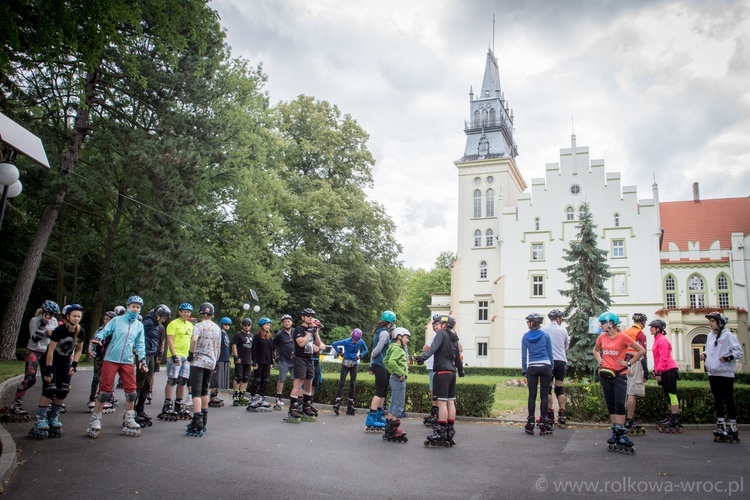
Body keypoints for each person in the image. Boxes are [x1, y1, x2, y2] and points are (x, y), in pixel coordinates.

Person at [86, 296, 147, 438]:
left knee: (131, 392)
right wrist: (99, 338)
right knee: (105, 392)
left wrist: (142, 359)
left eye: (138, 307)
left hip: (127, 360)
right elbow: (104, 331)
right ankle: (95, 419)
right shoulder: (117, 321)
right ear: (128, 307)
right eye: (133, 306)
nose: (135, 309)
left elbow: (140, 344)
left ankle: (129, 419)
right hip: (111, 358)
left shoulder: (139, 325)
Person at [592, 311, 646, 454]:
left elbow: (641, 351)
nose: (601, 326)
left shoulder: (623, 337)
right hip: (605, 374)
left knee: (619, 404)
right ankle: (615, 430)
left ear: (610, 323)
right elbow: (595, 350)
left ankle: (621, 433)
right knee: (610, 405)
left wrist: (628, 362)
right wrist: (600, 360)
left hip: (620, 375)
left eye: (602, 323)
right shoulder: (601, 337)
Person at [28, 303, 85, 439]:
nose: (76, 319)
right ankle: (41, 418)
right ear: (67, 317)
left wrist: (74, 364)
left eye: (79, 316)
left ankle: (54, 417)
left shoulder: (80, 331)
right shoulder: (59, 330)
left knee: (63, 390)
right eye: (74, 316)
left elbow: (78, 349)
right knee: (49, 388)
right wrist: (48, 370)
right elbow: (51, 350)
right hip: (51, 361)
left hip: (65, 362)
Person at [415, 315, 464, 447]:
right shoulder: (454, 338)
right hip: (452, 373)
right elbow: (458, 357)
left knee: (441, 403)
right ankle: (450, 430)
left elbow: (432, 349)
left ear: (444, 325)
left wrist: (420, 358)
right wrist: (461, 370)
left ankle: (441, 431)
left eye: (441, 323)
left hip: (442, 372)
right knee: (450, 402)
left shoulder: (441, 334)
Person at [7, 300, 60, 422]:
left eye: (53, 314)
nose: (51, 316)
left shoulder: (54, 321)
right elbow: (35, 338)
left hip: (47, 352)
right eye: (50, 313)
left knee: (49, 379)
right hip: (34, 351)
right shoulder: (34, 320)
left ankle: (46, 405)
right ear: (45, 311)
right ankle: (16, 405)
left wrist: (52, 333)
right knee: (30, 379)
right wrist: (43, 325)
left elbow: (56, 337)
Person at [701, 311, 743, 443]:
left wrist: (728, 357)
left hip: (725, 373)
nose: (710, 323)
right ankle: (720, 424)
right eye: (710, 321)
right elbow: (709, 350)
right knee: (717, 399)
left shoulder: (728, 335)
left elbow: (738, 351)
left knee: (728, 399)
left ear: (720, 322)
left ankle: (732, 426)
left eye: (712, 321)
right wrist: (704, 355)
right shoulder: (710, 336)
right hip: (713, 373)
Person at [186, 303, 221, 437]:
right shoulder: (217, 328)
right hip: (211, 361)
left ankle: (197, 418)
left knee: (196, 391)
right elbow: (218, 347)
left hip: (198, 360)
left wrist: (191, 352)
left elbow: (194, 340)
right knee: (205, 389)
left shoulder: (198, 326)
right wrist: (215, 360)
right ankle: (205, 416)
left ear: (200, 313)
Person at [285, 308, 323, 423]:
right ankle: (293, 408)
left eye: (312, 315)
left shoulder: (311, 330)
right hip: (300, 358)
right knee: (298, 383)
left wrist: (315, 332)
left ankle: (306, 407)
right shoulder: (299, 329)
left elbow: (318, 344)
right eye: (308, 315)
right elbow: (301, 342)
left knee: (309, 383)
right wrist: (309, 333)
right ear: (303, 317)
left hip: (309, 358)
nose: (310, 317)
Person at [134, 304, 170, 427]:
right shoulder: (147, 323)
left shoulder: (156, 325)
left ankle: (140, 409)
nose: (164, 320)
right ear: (158, 315)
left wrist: (158, 354)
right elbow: (137, 336)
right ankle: (132, 411)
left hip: (152, 355)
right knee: (139, 383)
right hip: (144, 355)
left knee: (147, 384)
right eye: (164, 317)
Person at [158, 302, 194, 421]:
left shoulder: (190, 325)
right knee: (172, 380)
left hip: (186, 355)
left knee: (182, 381)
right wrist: (174, 355)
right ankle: (167, 404)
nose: (186, 314)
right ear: (180, 312)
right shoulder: (173, 324)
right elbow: (170, 340)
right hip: (175, 354)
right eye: (184, 312)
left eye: (188, 312)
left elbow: (191, 341)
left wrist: (191, 354)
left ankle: (178, 404)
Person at [521, 313, 554, 436]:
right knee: (544, 395)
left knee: (532, 396)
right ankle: (543, 421)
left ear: (531, 323)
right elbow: (550, 354)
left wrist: (524, 369)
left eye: (528, 322)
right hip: (545, 366)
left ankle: (530, 421)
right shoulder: (546, 336)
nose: (527, 324)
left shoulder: (525, 337)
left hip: (532, 367)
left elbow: (524, 355)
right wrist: (552, 368)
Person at [649, 319, 682, 433]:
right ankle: (670, 416)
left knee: (672, 395)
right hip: (664, 370)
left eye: (652, 327)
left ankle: (675, 418)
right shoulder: (657, 339)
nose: (650, 329)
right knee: (668, 395)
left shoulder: (662, 340)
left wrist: (659, 372)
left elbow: (663, 358)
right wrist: (655, 370)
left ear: (658, 329)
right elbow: (657, 358)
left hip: (669, 370)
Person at [365, 310, 396, 432]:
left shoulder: (381, 331)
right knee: (379, 392)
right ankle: (371, 418)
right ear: (391, 322)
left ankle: (378, 415)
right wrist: (373, 362)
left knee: (383, 392)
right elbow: (377, 349)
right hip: (380, 364)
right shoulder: (384, 333)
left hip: (381, 364)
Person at [331, 328, 368, 416]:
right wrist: (340, 353)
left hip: (354, 364)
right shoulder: (347, 341)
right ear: (351, 337)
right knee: (342, 382)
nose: (355, 342)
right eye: (354, 340)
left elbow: (366, 349)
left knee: (352, 383)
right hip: (345, 364)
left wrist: (360, 355)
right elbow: (334, 344)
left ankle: (350, 404)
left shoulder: (361, 342)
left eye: (356, 340)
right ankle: (337, 402)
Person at [382, 327, 410, 442]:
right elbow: (392, 362)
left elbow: (385, 361)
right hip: (399, 379)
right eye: (406, 337)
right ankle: (394, 430)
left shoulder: (392, 347)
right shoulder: (398, 349)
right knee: (398, 403)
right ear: (399, 336)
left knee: (393, 402)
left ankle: (389, 428)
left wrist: (392, 371)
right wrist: (400, 373)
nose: (407, 340)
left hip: (394, 377)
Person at [623, 313, 649, 436]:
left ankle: (621, 419)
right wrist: (646, 370)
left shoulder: (625, 332)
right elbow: (643, 353)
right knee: (632, 392)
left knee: (624, 390)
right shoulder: (640, 334)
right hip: (635, 362)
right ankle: (629, 420)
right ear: (642, 322)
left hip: (623, 362)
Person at [543, 308, 569, 426]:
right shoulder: (563, 330)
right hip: (560, 361)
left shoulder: (543, 329)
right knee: (559, 388)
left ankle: (550, 414)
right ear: (559, 318)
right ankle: (562, 413)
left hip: (548, 361)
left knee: (547, 388)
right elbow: (566, 346)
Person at [87, 311, 116, 411]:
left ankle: (108, 398)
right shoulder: (100, 329)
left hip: (110, 358)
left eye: (108, 319)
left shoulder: (115, 331)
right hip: (99, 356)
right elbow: (93, 340)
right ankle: (92, 398)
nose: (106, 321)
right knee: (96, 377)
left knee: (108, 378)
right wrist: (90, 350)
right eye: (105, 319)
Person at [247, 317, 275, 412]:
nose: (268, 326)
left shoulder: (269, 337)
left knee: (265, 380)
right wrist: (254, 362)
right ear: (262, 326)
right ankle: (252, 397)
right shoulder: (257, 337)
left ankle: (262, 398)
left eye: (269, 325)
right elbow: (253, 350)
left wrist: (271, 363)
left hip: (267, 362)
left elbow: (271, 351)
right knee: (257, 380)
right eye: (267, 324)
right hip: (259, 362)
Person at [421, 314, 441, 428]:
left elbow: (425, 348)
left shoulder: (436, 336)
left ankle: (435, 414)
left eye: (435, 324)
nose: (434, 326)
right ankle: (437, 414)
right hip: (435, 366)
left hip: (434, 366)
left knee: (433, 391)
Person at [271, 314, 295, 410]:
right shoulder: (279, 334)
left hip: (295, 361)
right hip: (284, 360)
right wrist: (275, 357)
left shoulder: (296, 332)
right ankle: (279, 397)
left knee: (295, 380)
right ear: (282, 324)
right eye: (285, 322)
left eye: (288, 321)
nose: (287, 323)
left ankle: (294, 398)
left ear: (291, 322)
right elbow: (273, 346)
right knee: (282, 379)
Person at [209, 317, 233, 407]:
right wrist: (215, 359)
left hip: (225, 358)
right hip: (219, 358)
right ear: (222, 324)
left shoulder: (226, 334)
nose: (227, 326)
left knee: (220, 379)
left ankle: (216, 395)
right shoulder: (219, 333)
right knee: (216, 378)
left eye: (228, 325)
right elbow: (216, 346)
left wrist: (228, 359)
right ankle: (212, 396)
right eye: (225, 324)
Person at [231, 317, 255, 406]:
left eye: (248, 325)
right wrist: (236, 357)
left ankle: (242, 394)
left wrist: (254, 360)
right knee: (238, 377)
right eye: (245, 325)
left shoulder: (252, 336)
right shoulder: (238, 335)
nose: (247, 327)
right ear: (242, 326)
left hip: (248, 360)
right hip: (240, 359)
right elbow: (234, 346)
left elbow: (254, 349)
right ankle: (235, 394)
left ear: (250, 326)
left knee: (246, 378)